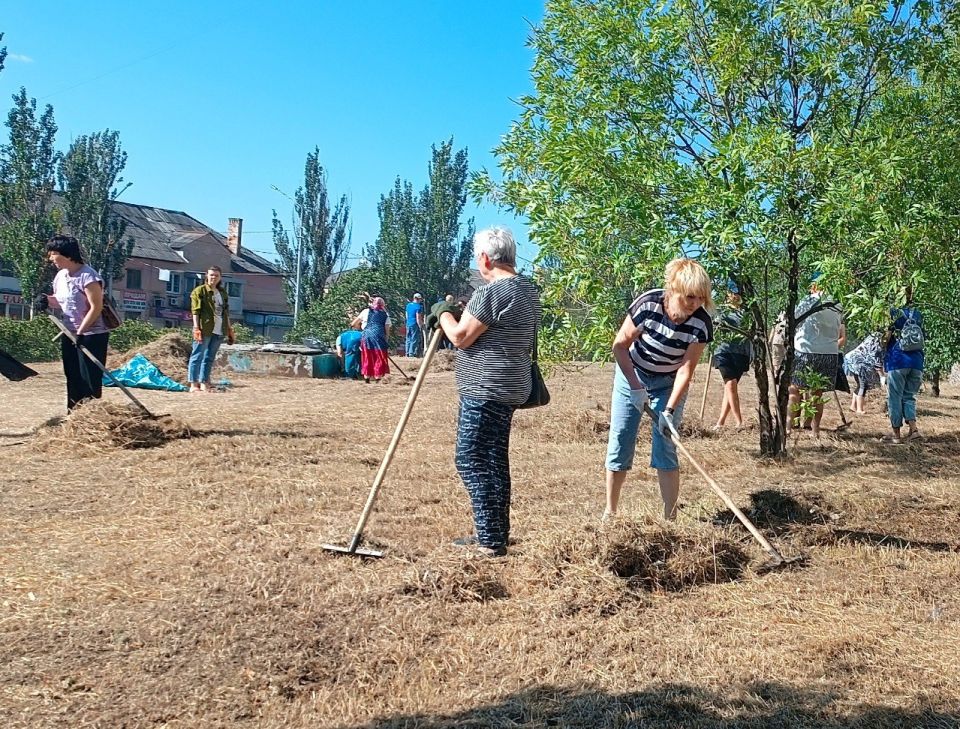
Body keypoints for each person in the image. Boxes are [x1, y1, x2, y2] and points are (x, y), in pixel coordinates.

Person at [426, 226, 541, 558]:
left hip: (487, 387)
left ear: (485, 258)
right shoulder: (526, 289)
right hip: (510, 386)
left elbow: (461, 337)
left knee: (471, 459)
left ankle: (490, 541)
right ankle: (495, 532)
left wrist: (443, 313)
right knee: (493, 460)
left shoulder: (492, 292)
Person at [604, 258, 714, 522]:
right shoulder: (648, 305)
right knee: (621, 438)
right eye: (690, 296)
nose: (695, 304)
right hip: (633, 373)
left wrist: (669, 410)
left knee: (666, 443)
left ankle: (670, 518)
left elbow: (686, 370)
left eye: (700, 298)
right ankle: (610, 512)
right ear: (674, 288)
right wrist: (635, 387)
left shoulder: (701, 324)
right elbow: (619, 346)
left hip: (668, 383)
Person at [40, 235, 111, 411]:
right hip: (69, 333)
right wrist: (46, 300)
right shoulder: (60, 276)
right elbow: (61, 301)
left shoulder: (88, 276)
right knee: (72, 375)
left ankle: (91, 416)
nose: (51, 258)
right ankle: (73, 415)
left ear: (67, 253)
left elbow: (96, 307)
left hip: (91, 335)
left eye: (53, 253)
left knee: (88, 378)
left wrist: (81, 331)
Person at [788, 277, 845, 439]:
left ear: (814, 285)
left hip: (806, 350)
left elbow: (794, 320)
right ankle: (815, 430)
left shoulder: (808, 301)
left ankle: (788, 427)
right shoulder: (837, 304)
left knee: (794, 389)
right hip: (829, 352)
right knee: (817, 393)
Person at [883, 304, 924, 444]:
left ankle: (896, 434)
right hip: (917, 361)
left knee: (894, 397)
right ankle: (914, 430)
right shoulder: (917, 313)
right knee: (909, 397)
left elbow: (886, 338)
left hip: (898, 360)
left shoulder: (892, 312)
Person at [188, 266, 234, 393]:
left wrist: (229, 329)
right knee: (197, 355)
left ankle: (204, 382)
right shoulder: (199, 291)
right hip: (205, 328)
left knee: (209, 357)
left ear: (220, 277)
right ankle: (193, 384)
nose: (214, 277)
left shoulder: (222, 293)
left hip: (219, 329)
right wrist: (196, 328)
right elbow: (195, 311)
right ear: (206, 276)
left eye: (216, 275)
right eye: (211, 275)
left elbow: (226, 312)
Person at [712, 291, 751, 430]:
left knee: (730, 389)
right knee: (731, 385)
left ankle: (720, 422)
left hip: (741, 353)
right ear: (727, 294)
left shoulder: (747, 312)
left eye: (738, 293)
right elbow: (713, 328)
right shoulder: (720, 310)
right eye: (732, 293)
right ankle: (739, 422)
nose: (735, 296)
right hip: (723, 351)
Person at [351, 297, 391, 382]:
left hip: (367, 336)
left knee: (367, 356)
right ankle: (378, 377)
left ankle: (367, 377)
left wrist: (362, 330)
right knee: (379, 357)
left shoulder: (366, 311)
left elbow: (353, 324)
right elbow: (387, 331)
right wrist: (386, 342)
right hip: (379, 337)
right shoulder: (385, 315)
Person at [843, 331, 883, 414]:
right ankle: (859, 409)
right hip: (858, 362)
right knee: (863, 385)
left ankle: (853, 406)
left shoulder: (873, 337)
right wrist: (882, 376)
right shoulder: (877, 343)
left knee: (859, 384)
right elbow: (877, 361)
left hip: (852, 359)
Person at [404, 293, 425, 357]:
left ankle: (407, 352)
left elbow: (406, 315)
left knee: (408, 338)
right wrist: (420, 325)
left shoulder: (408, 305)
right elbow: (418, 317)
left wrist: (408, 322)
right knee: (414, 339)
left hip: (408, 324)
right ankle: (411, 353)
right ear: (418, 299)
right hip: (414, 324)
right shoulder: (418, 307)